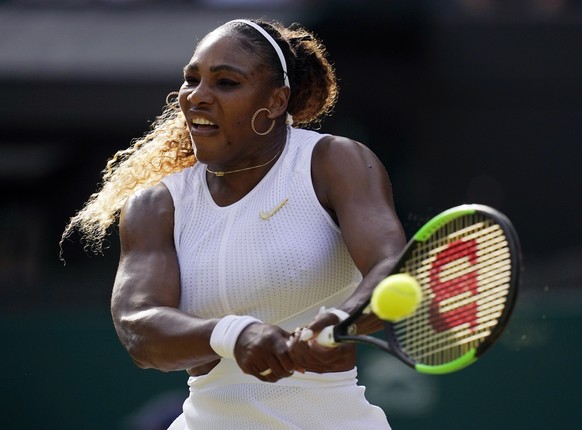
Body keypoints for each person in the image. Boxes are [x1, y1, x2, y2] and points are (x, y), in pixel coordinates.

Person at [62, 18, 406, 429]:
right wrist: (234, 335)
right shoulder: (156, 205)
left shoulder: (335, 162)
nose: (196, 97)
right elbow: (138, 327)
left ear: (276, 101)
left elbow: (390, 269)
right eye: (192, 80)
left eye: (225, 82)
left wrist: (339, 320)